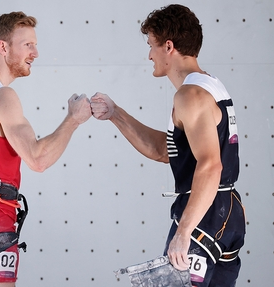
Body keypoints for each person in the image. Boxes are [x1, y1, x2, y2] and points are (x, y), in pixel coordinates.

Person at [90, 4, 246, 287]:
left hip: (205, 213)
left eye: (152, 45)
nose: (149, 55)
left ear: (168, 47)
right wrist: (115, 113)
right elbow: (167, 151)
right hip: (227, 211)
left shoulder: (190, 95)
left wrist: (184, 232)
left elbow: (210, 165)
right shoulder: (209, 86)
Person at [0, 11, 91, 287]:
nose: (35, 53)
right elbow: (37, 159)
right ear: (3, 47)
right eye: (28, 45)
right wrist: (74, 119)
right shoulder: (1, 96)